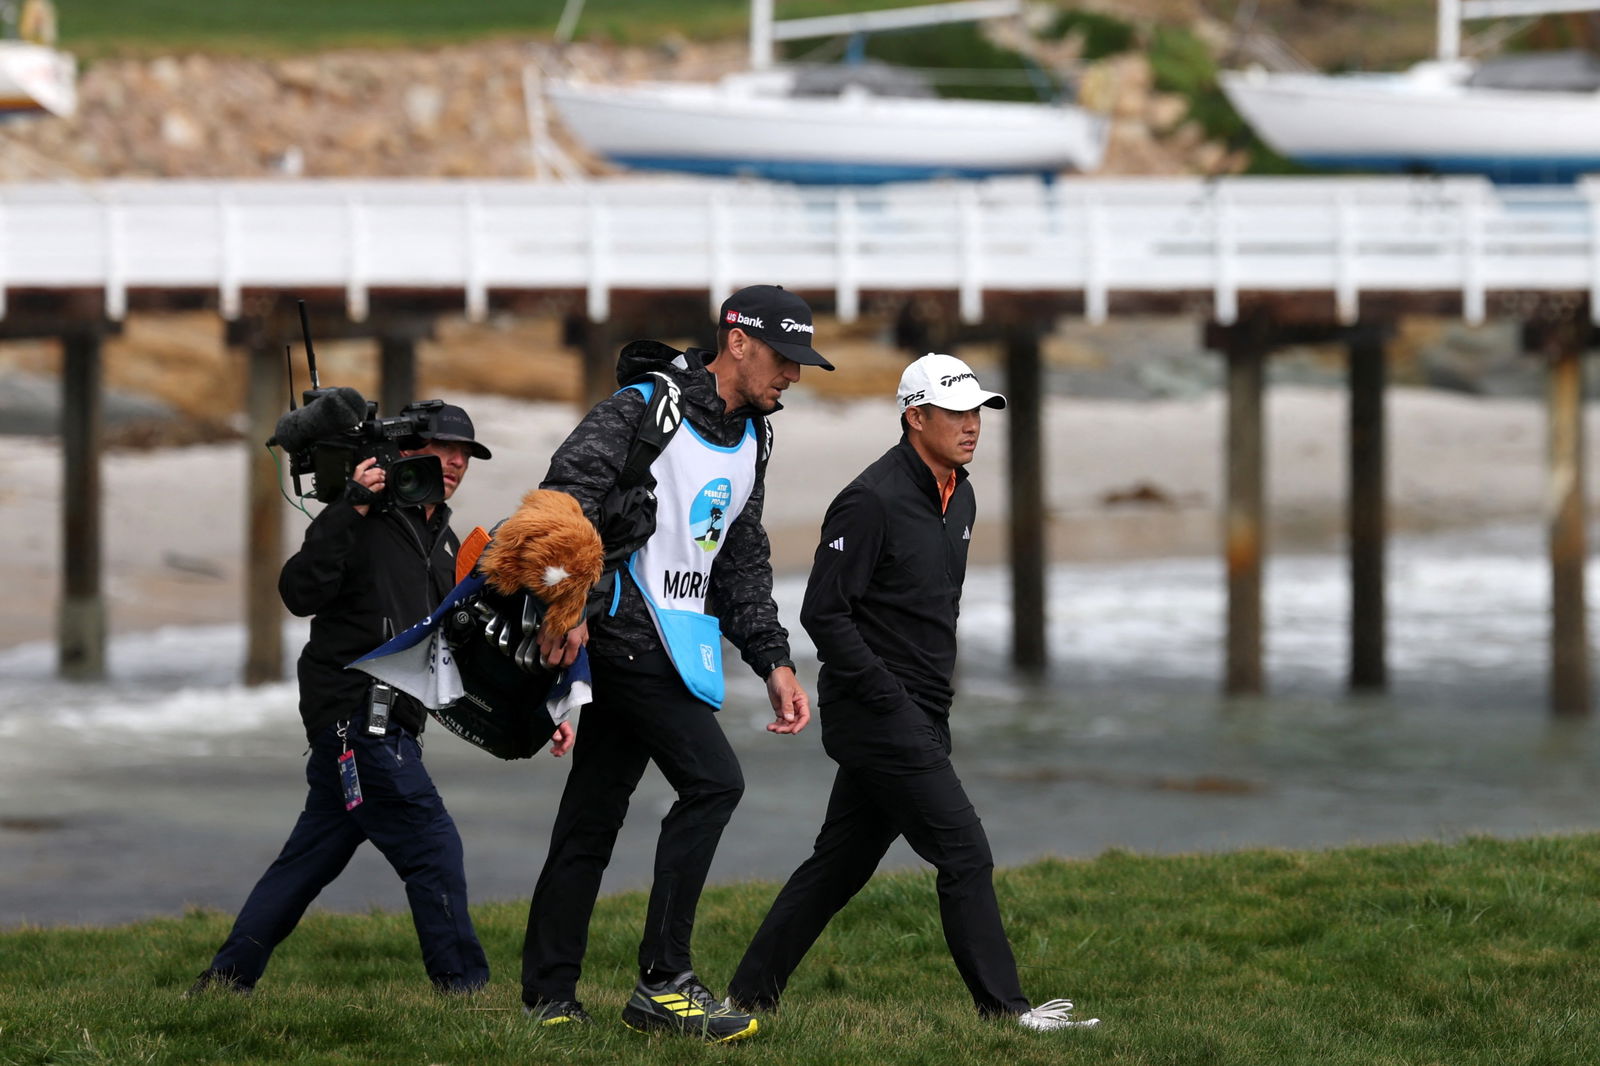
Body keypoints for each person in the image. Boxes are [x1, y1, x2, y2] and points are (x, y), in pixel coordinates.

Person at [725, 353, 1100, 1031]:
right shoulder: (870, 499)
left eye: (977, 412)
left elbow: (927, 614)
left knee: (838, 865)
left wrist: (924, 703)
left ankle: (749, 995)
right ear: (915, 416)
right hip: (877, 713)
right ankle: (1007, 1011)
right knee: (965, 851)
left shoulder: (962, 493)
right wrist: (887, 696)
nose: (971, 425)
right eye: (955, 412)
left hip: (923, 710)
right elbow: (824, 613)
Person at [521, 285, 828, 1043]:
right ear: (740, 342)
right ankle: (663, 982)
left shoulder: (756, 435)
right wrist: (567, 615)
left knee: (591, 816)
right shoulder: (642, 408)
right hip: (623, 634)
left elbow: (739, 557)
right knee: (715, 781)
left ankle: (548, 996)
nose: (792, 376)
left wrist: (773, 661)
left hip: (671, 642)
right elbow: (559, 506)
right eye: (785, 359)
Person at [188, 402, 565, 997]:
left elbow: (458, 647)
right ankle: (464, 989)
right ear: (408, 450)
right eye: (443, 449)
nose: (456, 462)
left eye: (465, 454)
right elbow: (298, 591)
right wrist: (352, 505)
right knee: (433, 844)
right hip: (358, 720)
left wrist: (545, 710)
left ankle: (225, 981)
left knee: (306, 863)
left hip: (390, 724)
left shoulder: (445, 542)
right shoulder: (361, 517)